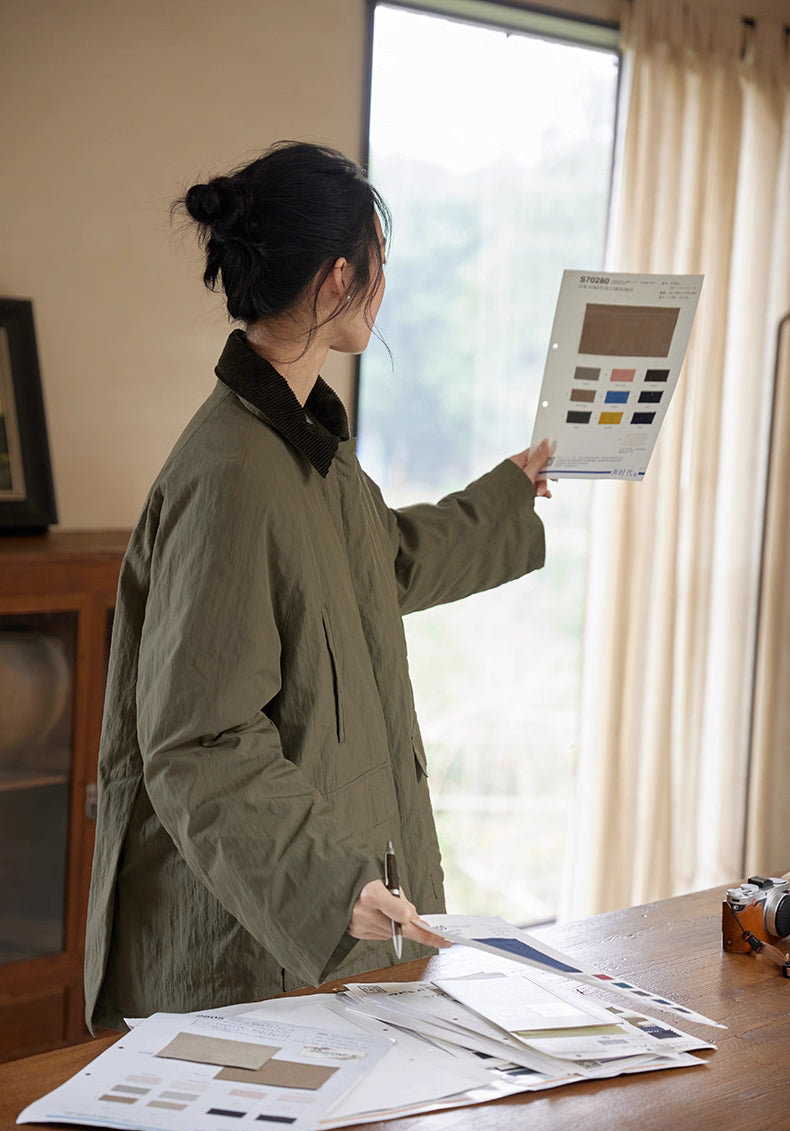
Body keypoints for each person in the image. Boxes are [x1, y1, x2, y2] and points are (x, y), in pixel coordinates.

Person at [84, 141, 551, 1032]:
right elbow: (199, 739)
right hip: (251, 957)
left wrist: (506, 495)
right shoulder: (232, 472)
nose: (384, 285)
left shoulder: (309, 452)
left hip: (329, 937)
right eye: (380, 265)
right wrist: (333, 885)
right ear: (340, 278)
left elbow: (388, 560)